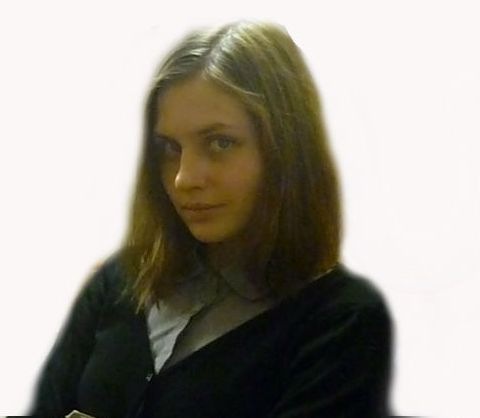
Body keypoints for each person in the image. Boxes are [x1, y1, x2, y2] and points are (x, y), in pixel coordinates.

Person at [27, 20, 393, 417]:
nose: (184, 179)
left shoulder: (342, 321)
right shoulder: (121, 278)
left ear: (288, 151)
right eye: (169, 148)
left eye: (220, 143)